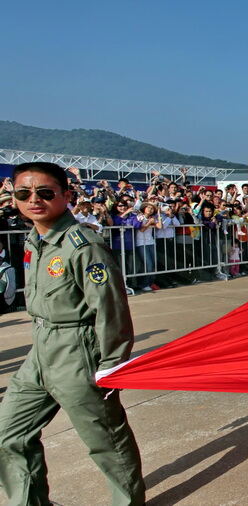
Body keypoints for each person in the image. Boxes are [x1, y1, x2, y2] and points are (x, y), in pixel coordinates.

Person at [0, 162, 144, 505]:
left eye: (45, 192)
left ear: (66, 196)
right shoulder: (34, 241)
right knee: (9, 433)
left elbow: (110, 309)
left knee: (106, 440)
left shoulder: (83, 245)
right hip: (40, 349)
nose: (34, 200)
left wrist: (112, 364)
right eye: (23, 193)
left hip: (77, 351)